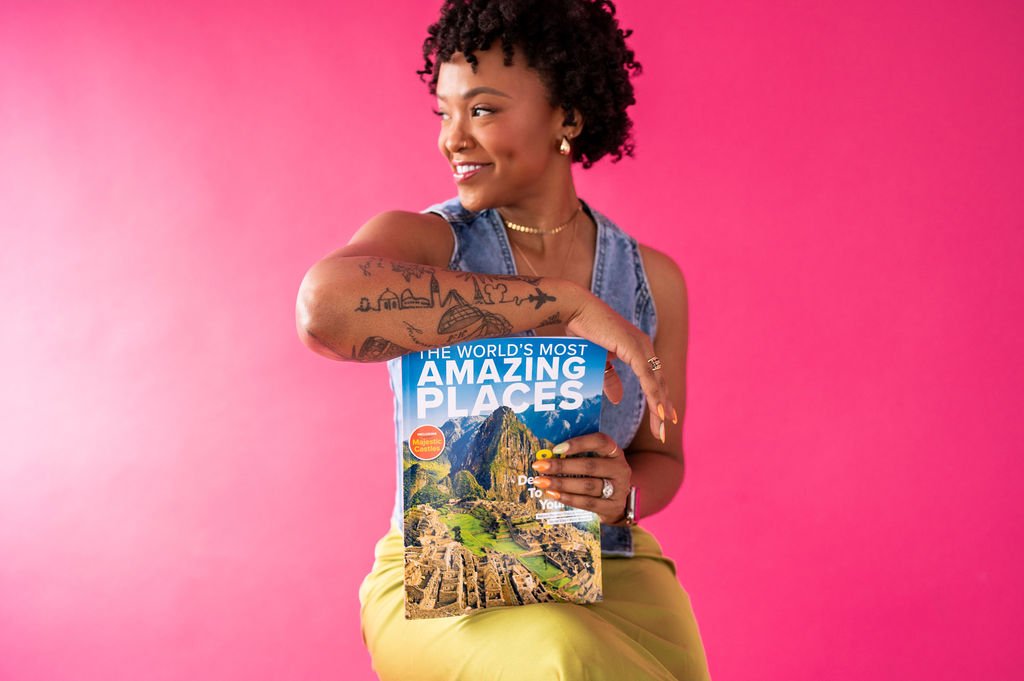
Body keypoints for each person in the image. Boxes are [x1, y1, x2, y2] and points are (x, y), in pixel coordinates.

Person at [295, 0, 711, 678]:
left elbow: (663, 457)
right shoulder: (429, 242)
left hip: (612, 574)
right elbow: (322, 313)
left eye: (481, 110)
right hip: (447, 583)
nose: (450, 139)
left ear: (567, 117)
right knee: (560, 656)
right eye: (444, 112)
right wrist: (561, 306)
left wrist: (623, 494)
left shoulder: (649, 280)